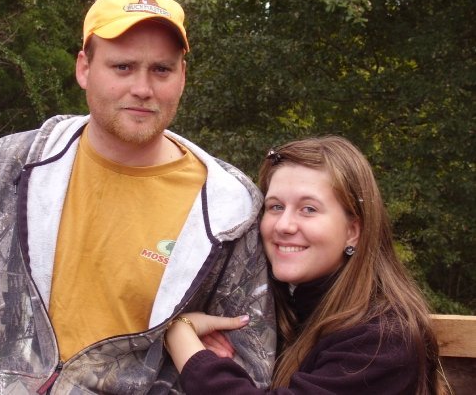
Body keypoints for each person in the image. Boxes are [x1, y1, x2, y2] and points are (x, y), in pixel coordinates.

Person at [0, 0, 277, 393]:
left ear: (182, 76)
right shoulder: (11, 169)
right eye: (123, 67)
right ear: (84, 68)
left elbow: (248, 361)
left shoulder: (227, 208)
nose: (143, 88)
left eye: (161, 70)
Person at [163, 136, 446, 394]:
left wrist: (181, 338)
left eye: (308, 209)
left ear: (353, 231)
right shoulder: (275, 306)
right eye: (275, 207)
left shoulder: (383, 339)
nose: (284, 225)